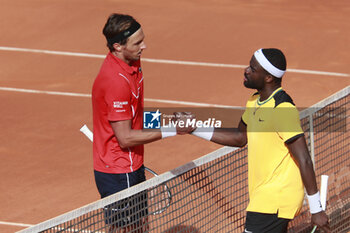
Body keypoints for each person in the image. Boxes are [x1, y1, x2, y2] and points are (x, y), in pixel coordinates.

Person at [189, 48, 330, 233]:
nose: (246, 70)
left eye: (252, 69)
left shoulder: (282, 109)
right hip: (264, 197)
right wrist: (194, 128)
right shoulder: (254, 101)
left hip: (275, 199)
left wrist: (316, 208)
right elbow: (240, 137)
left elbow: (304, 158)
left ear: (268, 78)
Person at [92, 13, 191, 232]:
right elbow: (125, 137)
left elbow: (134, 114)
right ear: (118, 46)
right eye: (137, 42)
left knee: (140, 228)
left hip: (131, 163)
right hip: (118, 171)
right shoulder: (115, 81)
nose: (144, 46)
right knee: (125, 230)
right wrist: (172, 129)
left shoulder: (132, 62)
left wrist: (167, 118)